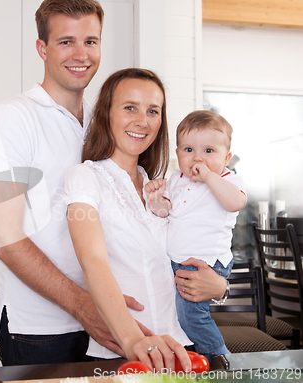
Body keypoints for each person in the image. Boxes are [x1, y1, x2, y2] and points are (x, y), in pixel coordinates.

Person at [0, 0, 228, 367]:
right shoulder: (11, 118)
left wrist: (219, 287)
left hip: (117, 322)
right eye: (66, 41)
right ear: (41, 48)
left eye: (91, 41)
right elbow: (3, 237)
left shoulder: (109, 123)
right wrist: (83, 304)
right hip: (42, 327)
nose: (81, 54)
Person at [66, 68, 210, 372]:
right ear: (106, 114)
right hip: (126, 351)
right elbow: (93, 262)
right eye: (130, 107)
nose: (142, 121)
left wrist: (219, 287)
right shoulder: (86, 177)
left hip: (182, 347)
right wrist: (132, 341)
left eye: (153, 111)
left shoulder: (161, 186)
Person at [144, 110, 247, 358]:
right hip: (177, 260)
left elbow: (235, 203)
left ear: (226, 157)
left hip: (205, 263)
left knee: (191, 315)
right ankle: (195, 358)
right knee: (177, 313)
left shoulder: (228, 179)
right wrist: (155, 198)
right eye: (188, 150)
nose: (197, 158)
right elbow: (164, 213)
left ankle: (219, 356)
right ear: (177, 153)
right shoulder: (176, 180)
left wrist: (210, 176)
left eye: (209, 151)